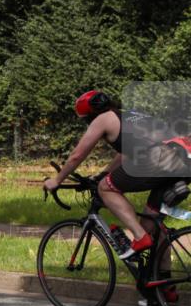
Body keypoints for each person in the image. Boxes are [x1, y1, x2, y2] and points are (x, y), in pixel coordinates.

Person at [43, 90, 190, 261]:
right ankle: (162, 277)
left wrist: (57, 180)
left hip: (161, 158)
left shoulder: (103, 119)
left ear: (88, 116)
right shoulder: (129, 115)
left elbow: (77, 155)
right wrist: (104, 173)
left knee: (105, 188)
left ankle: (139, 238)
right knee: (151, 226)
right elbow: (125, 154)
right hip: (185, 159)